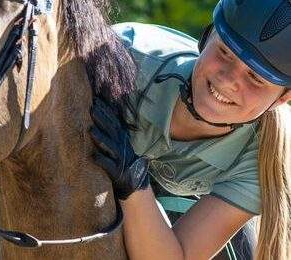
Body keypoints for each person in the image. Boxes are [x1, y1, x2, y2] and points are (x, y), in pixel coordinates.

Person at [90, 0, 291, 259]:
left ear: (281, 100)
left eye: (254, 78)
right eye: (224, 53)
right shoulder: (118, 59)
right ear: (207, 37)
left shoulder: (260, 160)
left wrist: (134, 178)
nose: (228, 80)